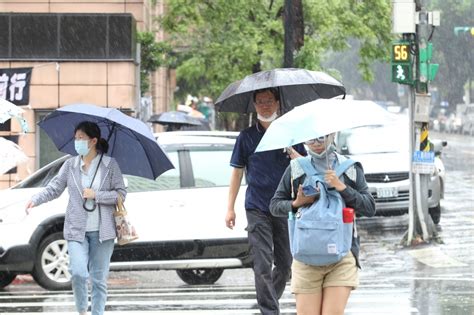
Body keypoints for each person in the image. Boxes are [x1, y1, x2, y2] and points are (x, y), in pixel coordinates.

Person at [25, 121, 126, 315]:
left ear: (93, 141)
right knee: (78, 273)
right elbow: (55, 188)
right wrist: (35, 199)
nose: (77, 142)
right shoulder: (70, 165)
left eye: (81, 138)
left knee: (98, 280)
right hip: (76, 230)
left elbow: (121, 194)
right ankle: (82, 311)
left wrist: (97, 195)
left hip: (103, 232)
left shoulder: (109, 165)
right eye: (76, 138)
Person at [269, 133, 376, 315]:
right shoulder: (296, 168)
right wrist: (297, 203)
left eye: (321, 138)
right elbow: (274, 206)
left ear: (332, 135)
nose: (316, 143)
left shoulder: (349, 168)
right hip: (305, 257)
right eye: (310, 139)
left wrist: (342, 187)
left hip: (342, 256)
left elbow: (369, 207)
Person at [225, 87, 306, 315]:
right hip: (256, 207)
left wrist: (291, 151)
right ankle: (269, 310)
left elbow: (305, 166)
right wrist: (230, 208)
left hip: (284, 207)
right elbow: (237, 172)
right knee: (261, 264)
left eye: (268, 101)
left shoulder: (290, 134)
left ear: (277, 103)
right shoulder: (246, 137)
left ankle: (270, 300)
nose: (264, 105)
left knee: (285, 264)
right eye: (260, 102)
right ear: (254, 105)